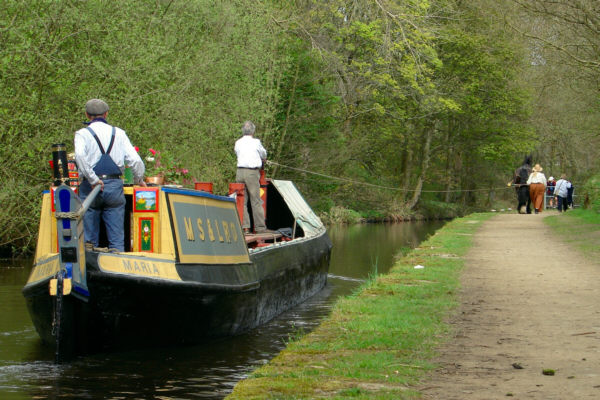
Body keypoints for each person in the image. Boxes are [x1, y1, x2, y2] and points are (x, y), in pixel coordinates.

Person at [74, 99, 146, 251]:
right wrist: (139, 179)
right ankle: (117, 258)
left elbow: (79, 156)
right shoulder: (119, 133)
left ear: (87, 115)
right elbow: (135, 160)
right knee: (116, 239)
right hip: (114, 186)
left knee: (88, 241)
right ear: (106, 114)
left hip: (90, 187)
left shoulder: (82, 134)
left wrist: (93, 179)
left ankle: (89, 261)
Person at [234, 120, 267, 234]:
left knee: (242, 200)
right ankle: (260, 227)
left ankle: (245, 227)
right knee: (256, 201)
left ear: (243, 131)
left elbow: (237, 153)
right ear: (253, 131)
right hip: (252, 173)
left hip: (239, 172)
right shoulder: (256, 142)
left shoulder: (238, 142)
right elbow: (263, 154)